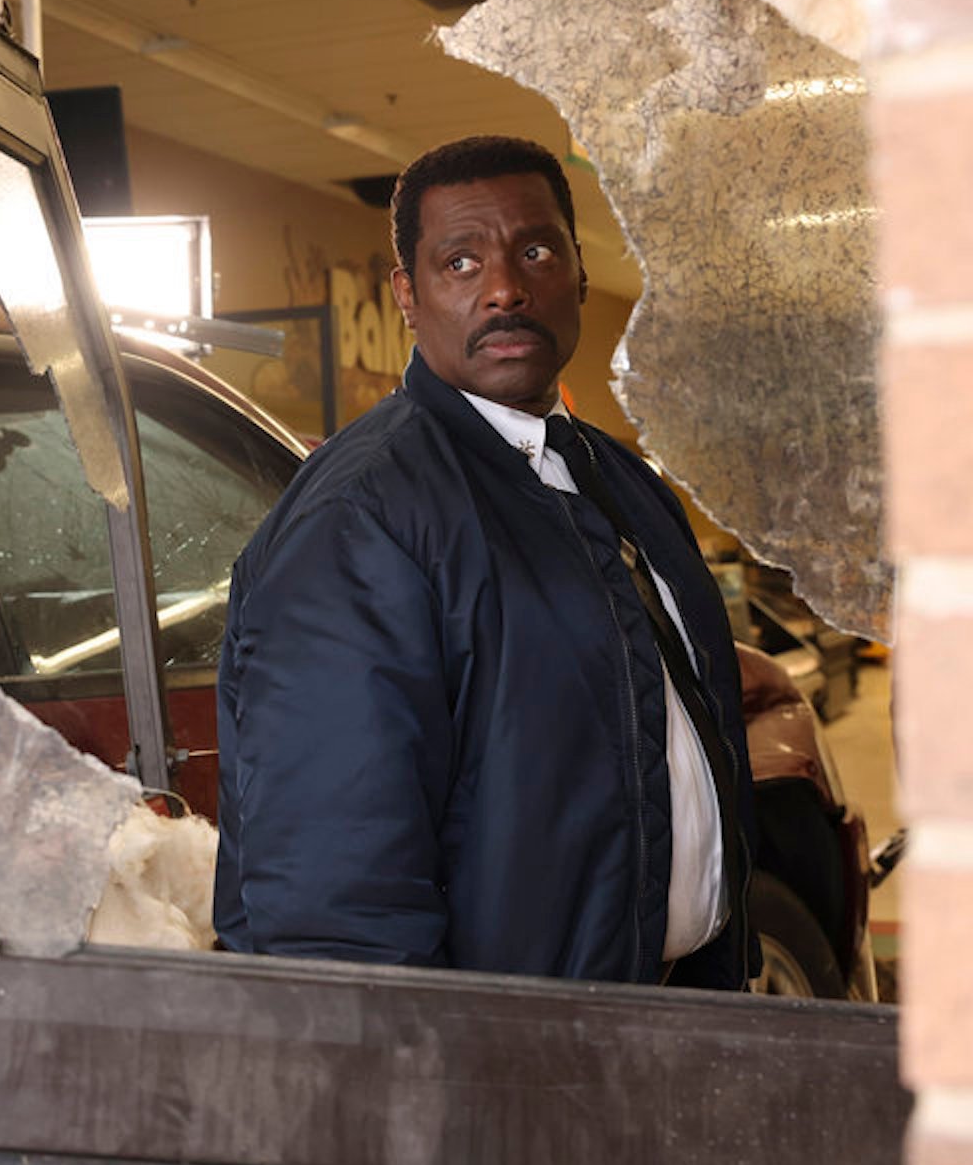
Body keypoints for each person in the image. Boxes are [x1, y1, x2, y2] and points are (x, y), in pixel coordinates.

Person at [212, 135, 758, 989]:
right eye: (460, 263)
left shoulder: (615, 480)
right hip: (511, 1064)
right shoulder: (364, 516)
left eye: (534, 251)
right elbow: (336, 887)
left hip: (661, 1015)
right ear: (408, 294)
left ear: (578, 272)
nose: (505, 288)